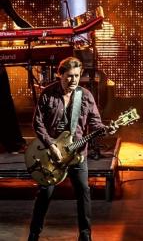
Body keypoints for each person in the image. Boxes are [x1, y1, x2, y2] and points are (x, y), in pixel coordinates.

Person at [28, 57, 116, 241]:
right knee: (45, 193)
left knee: (84, 192)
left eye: (76, 75)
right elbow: (37, 123)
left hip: (77, 153)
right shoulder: (48, 94)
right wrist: (51, 145)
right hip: (51, 153)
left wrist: (105, 129)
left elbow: (95, 123)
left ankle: (85, 235)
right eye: (69, 76)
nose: (73, 80)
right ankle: (34, 234)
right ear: (59, 75)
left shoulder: (85, 96)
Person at [0, 0, 33, 153]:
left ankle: (12, 142)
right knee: (3, 98)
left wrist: (39, 32)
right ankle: (12, 143)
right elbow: (17, 20)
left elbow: (18, 20)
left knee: (4, 99)